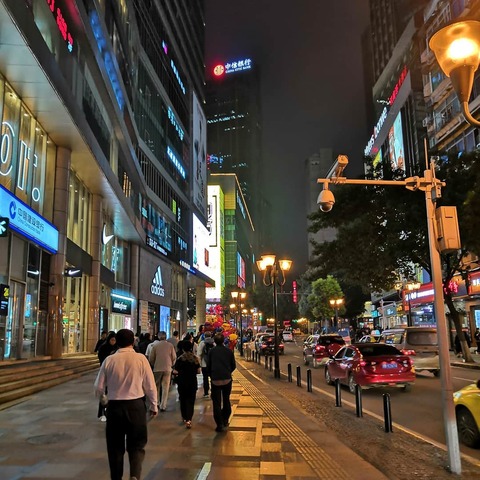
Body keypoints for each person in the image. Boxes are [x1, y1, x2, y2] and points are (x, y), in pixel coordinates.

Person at [94, 329, 157, 480]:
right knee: (137, 444)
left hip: (115, 407)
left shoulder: (110, 360)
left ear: (117, 342)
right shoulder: (141, 359)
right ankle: (134, 474)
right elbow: (150, 385)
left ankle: (116, 477)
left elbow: (98, 387)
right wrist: (154, 405)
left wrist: (104, 400)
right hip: (136, 406)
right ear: (133, 342)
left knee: (115, 447)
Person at [206, 332, 236, 432]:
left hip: (215, 380)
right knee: (226, 399)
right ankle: (225, 419)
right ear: (223, 341)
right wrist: (228, 372)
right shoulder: (228, 351)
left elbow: (208, 365)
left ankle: (219, 424)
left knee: (216, 403)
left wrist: (211, 375)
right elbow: (233, 365)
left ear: (214, 341)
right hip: (227, 379)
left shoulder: (212, 351)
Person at [172, 340, 201, 428]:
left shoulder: (180, 359)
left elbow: (175, 371)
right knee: (191, 401)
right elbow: (198, 371)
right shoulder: (195, 358)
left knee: (183, 400)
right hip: (192, 382)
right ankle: (189, 419)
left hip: (182, 382)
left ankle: (184, 417)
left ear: (183, 349)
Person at [148, 331, 177, 412]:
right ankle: (163, 405)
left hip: (157, 368)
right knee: (165, 387)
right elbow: (174, 357)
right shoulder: (170, 345)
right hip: (167, 368)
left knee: (156, 386)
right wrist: (171, 365)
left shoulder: (155, 346)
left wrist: (154, 364)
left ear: (158, 337)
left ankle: (156, 403)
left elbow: (151, 358)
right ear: (165, 336)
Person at [96, 332, 118, 422]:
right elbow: (101, 358)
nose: (113, 342)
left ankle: (110, 412)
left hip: (114, 373)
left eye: (114, 340)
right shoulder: (103, 347)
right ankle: (102, 412)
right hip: (105, 372)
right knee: (104, 394)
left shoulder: (117, 348)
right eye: (112, 340)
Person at [197, 331, 215, 398]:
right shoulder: (214, 343)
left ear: (204, 336)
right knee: (213, 378)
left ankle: (206, 393)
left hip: (204, 364)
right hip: (213, 364)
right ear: (210, 335)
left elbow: (199, 354)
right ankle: (213, 392)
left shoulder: (202, 343)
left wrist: (199, 364)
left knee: (205, 378)